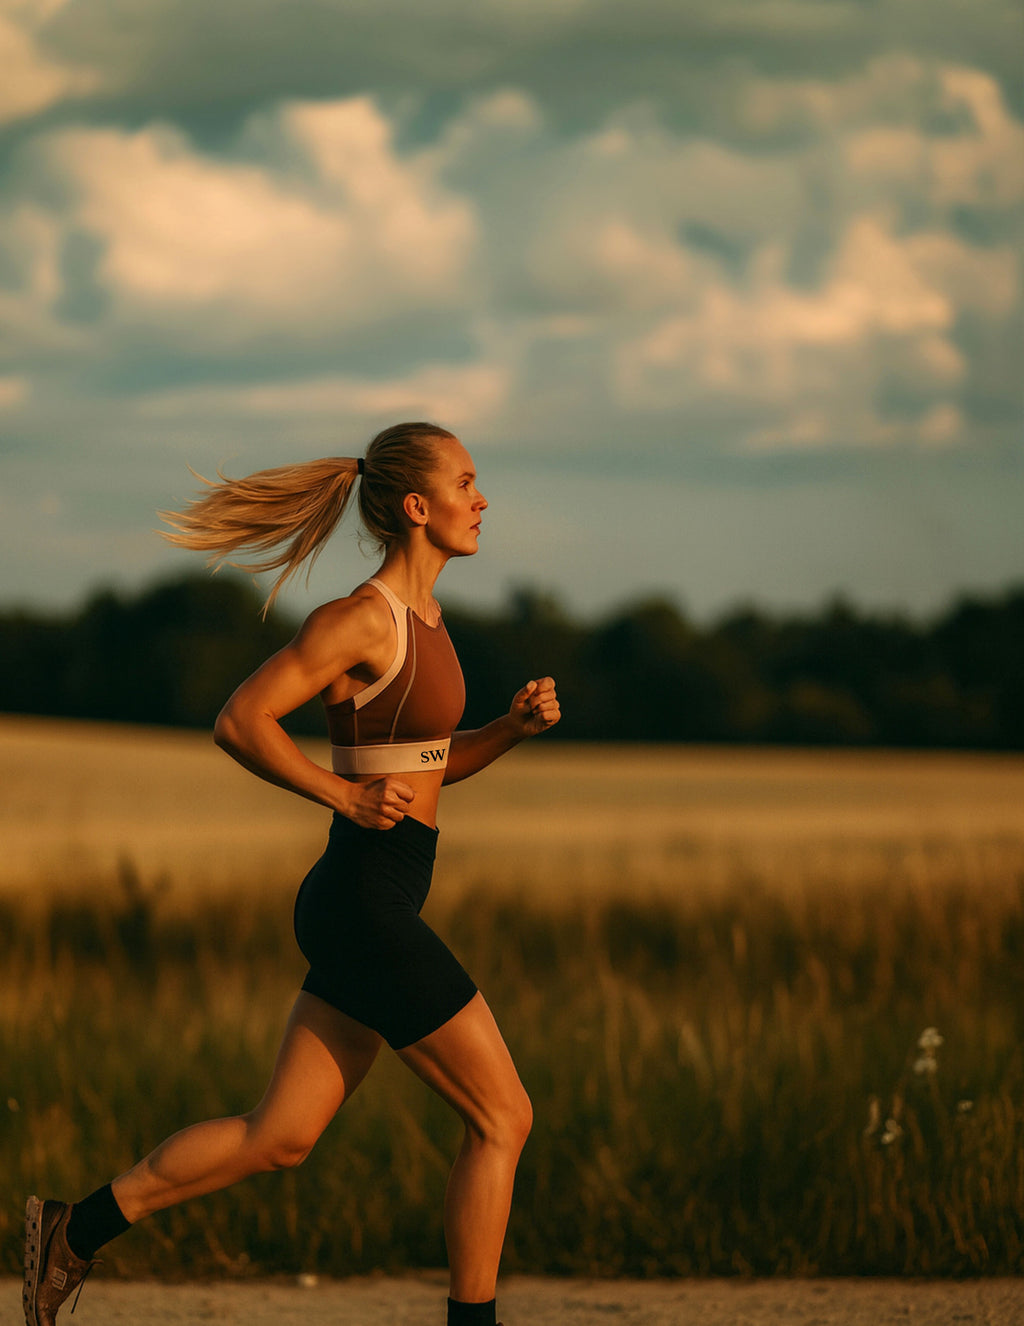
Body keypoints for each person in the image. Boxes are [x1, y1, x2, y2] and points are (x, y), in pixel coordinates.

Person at [23, 422, 560, 1326]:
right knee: (504, 1117)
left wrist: (505, 732)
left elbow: (424, 770)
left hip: (371, 896)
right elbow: (243, 719)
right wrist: (337, 797)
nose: (481, 499)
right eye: (467, 483)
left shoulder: (428, 624)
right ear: (417, 507)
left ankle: (72, 1230)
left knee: (279, 1138)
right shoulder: (361, 619)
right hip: (363, 901)